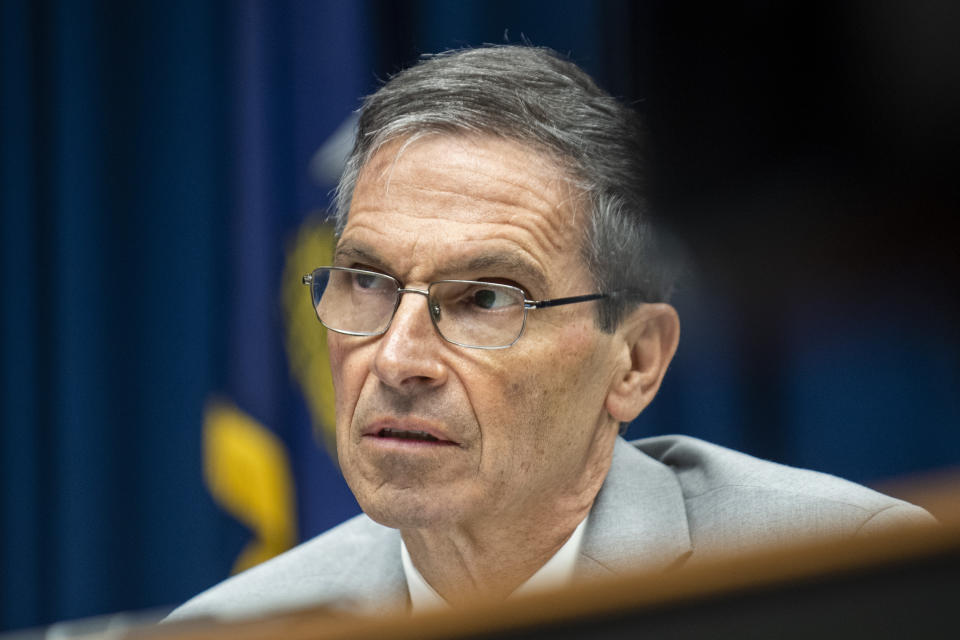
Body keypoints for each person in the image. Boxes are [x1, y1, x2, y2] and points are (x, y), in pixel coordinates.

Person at [168, 45, 933, 621]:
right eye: (366, 282)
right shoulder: (236, 630)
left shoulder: (846, 588)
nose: (398, 360)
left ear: (636, 361)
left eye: (487, 299)